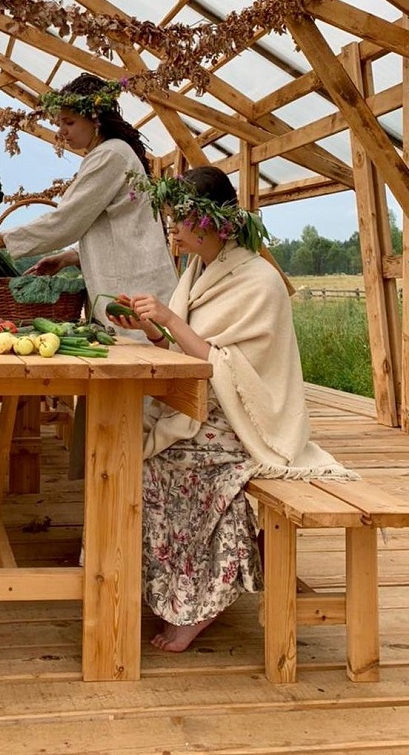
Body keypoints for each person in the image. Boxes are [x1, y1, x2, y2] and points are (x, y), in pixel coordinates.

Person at [110, 166, 352, 653]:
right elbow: (190, 357)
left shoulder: (260, 281)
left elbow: (232, 368)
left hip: (245, 423)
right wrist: (152, 329)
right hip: (203, 407)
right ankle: (137, 579)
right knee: (120, 444)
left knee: (167, 468)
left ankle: (199, 603)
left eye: (180, 219)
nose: (172, 229)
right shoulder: (198, 271)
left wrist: (170, 319)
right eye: (170, 218)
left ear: (215, 223)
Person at [0, 72, 178, 477]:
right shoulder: (110, 155)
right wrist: (69, 259)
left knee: (134, 400)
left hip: (134, 292)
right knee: (128, 396)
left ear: (95, 118)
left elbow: (68, 219)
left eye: (68, 123)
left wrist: (2, 240)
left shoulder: (111, 155)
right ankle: (111, 486)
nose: (61, 132)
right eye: (59, 123)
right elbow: (111, 230)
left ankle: (127, 490)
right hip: (131, 283)